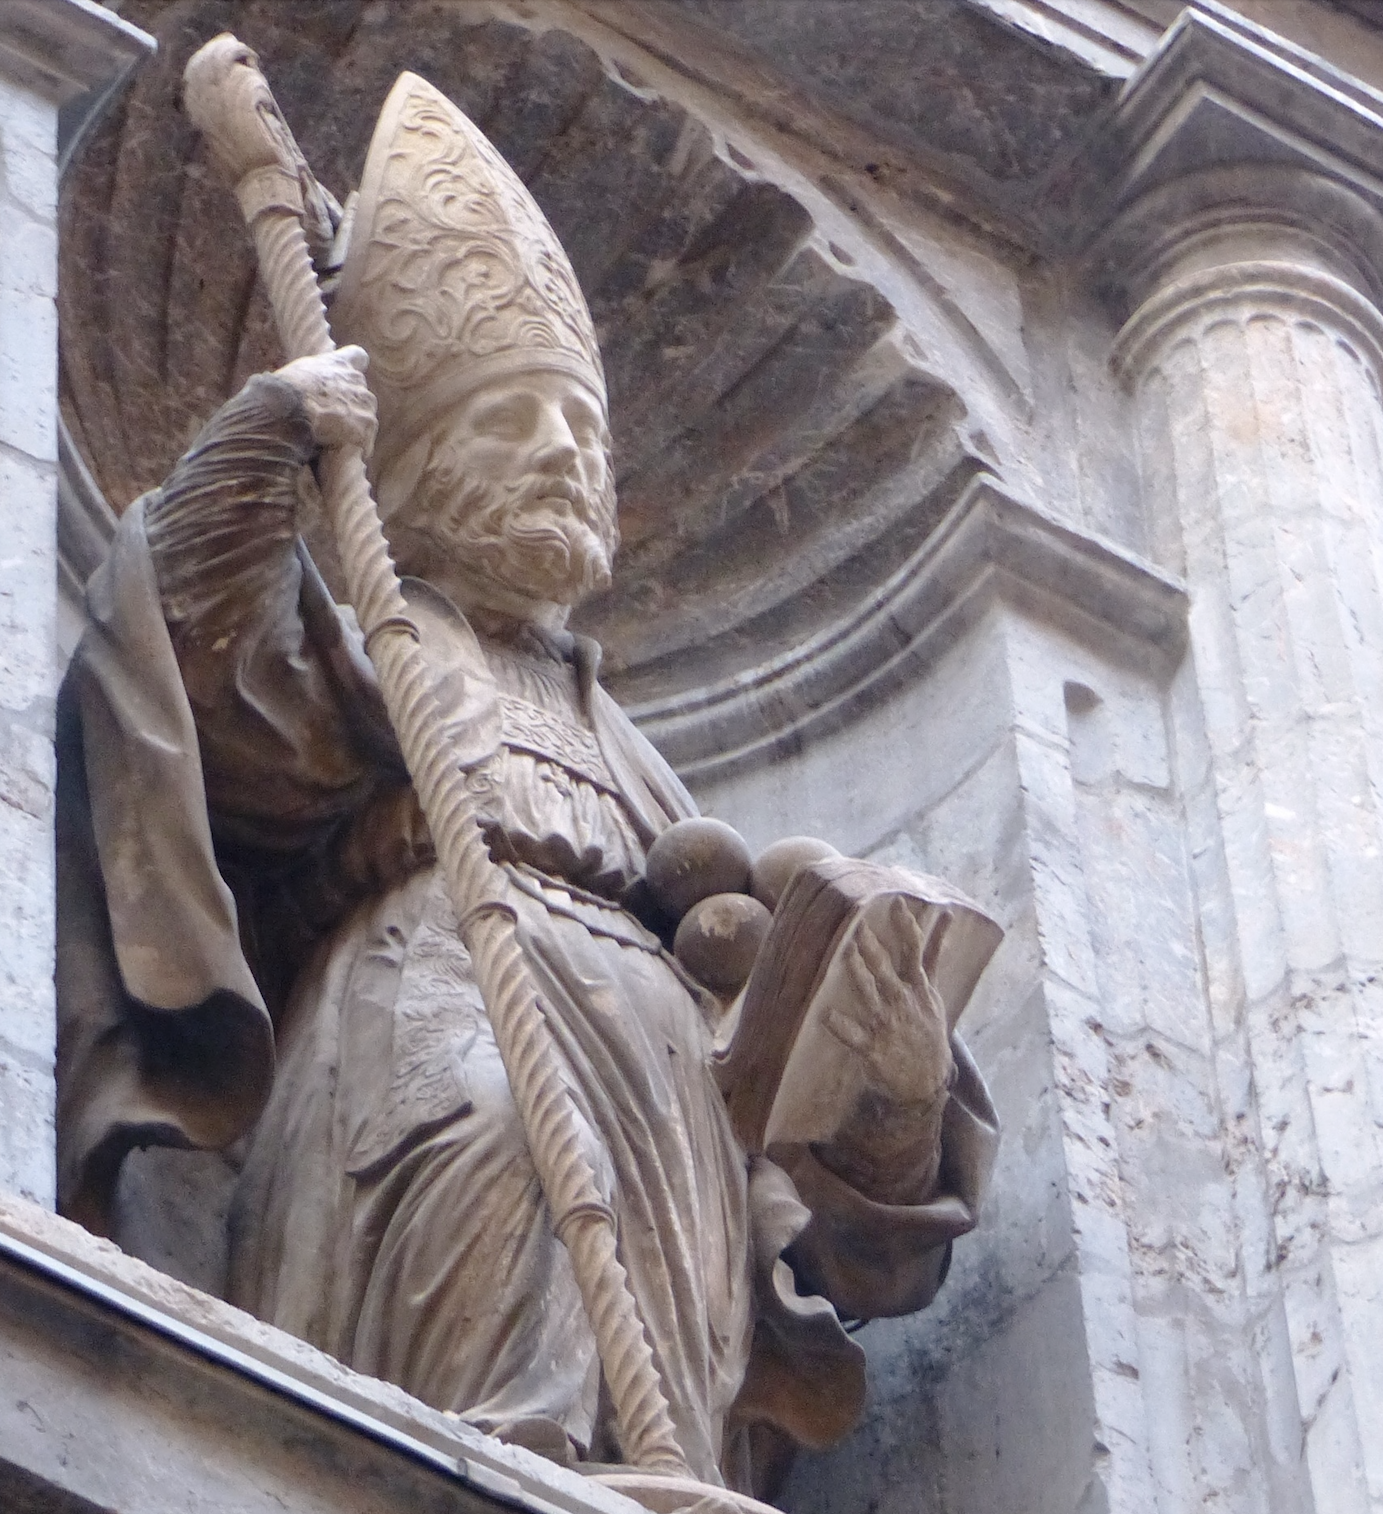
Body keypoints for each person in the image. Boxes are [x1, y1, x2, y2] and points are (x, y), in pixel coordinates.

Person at [55, 71, 998, 1496]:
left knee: (649, 1286)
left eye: (581, 437)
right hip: (426, 1004)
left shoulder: (628, 743)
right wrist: (267, 445)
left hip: (662, 1103)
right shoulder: (370, 627)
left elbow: (834, 1205)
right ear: (415, 469)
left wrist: (885, 1069)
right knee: (493, 1127)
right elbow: (188, 689)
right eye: (514, 431)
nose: (565, 460)